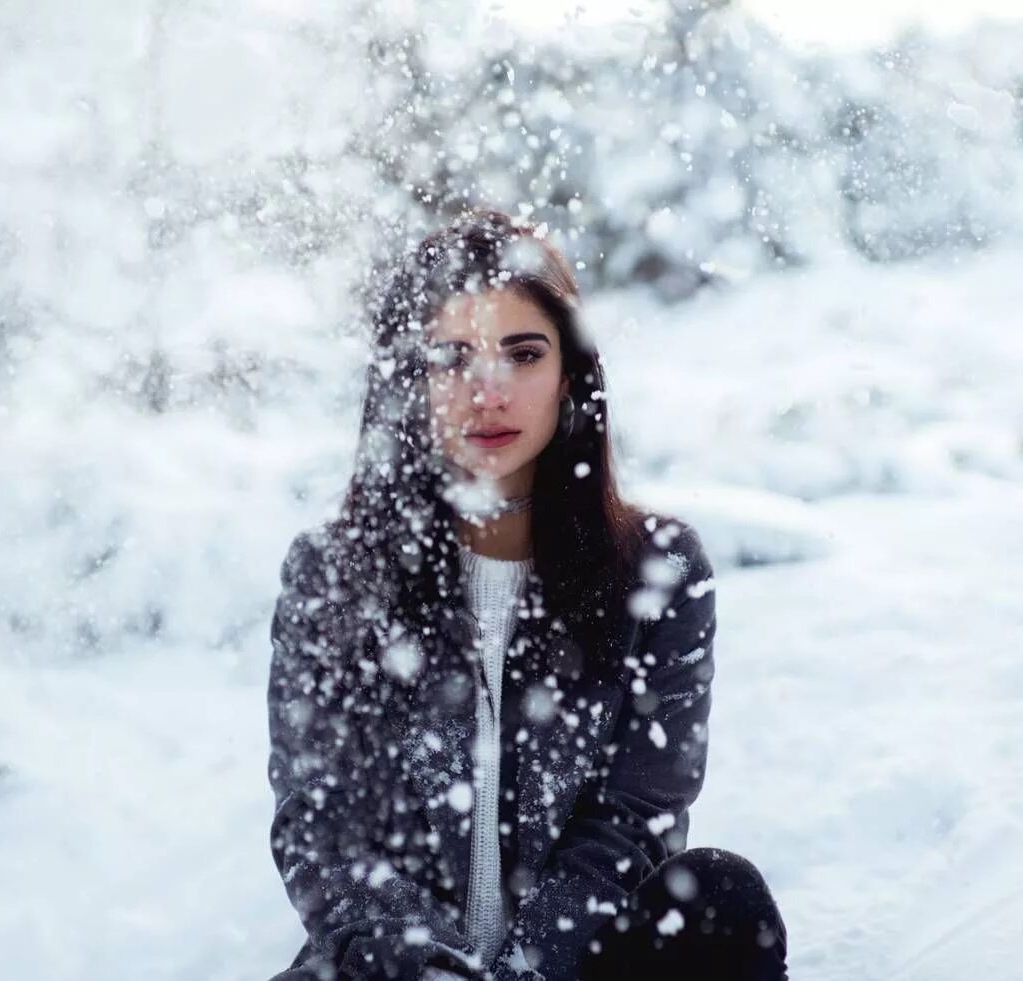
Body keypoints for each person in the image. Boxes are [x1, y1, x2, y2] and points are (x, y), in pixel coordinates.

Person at [265, 208, 788, 981]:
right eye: (452, 357)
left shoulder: (661, 570)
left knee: (719, 898)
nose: (488, 389)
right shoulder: (335, 574)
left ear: (570, 374)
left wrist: (527, 971)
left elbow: (634, 818)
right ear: (411, 381)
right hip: (391, 973)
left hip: (582, 966)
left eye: (522, 353)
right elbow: (325, 829)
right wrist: (430, 968)